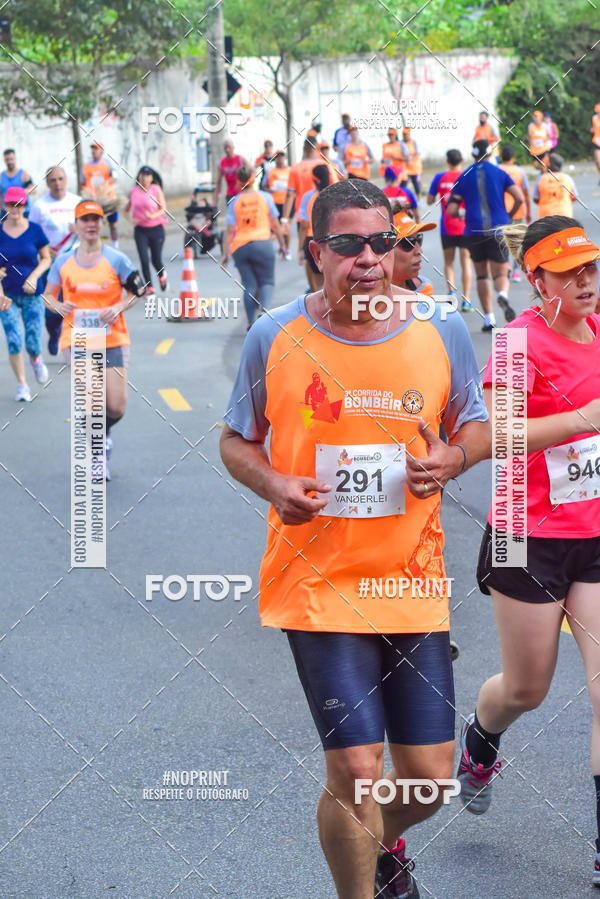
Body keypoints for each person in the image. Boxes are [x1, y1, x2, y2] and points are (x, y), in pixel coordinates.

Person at [220, 178, 491, 899]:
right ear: (316, 252)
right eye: (349, 244)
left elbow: (480, 424)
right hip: (317, 582)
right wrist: (275, 484)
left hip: (411, 580)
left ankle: (376, 839)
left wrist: (454, 457)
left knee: (432, 777)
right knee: (357, 767)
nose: (370, 257)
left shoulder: (443, 327)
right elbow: (234, 440)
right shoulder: (273, 335)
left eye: (385, 241)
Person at [456, 214, 600, 888]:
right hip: (525, 534)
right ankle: (481, 739)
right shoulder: (516, 343)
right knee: (527, 686)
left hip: (594, 533)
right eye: (569, 270)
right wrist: (581, 418)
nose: (586, 280)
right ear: (535, 277)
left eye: (592, 267)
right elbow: (500, 436)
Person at [43, 200, 145, 480]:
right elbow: (48, 294)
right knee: (93, 400)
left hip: (113, 338)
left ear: (101, 224)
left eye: (95, 219)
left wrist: (118, 307)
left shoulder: (116, 259)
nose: (91, 224)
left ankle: (105, 431)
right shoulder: (63, 261)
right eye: (85, 219)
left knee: (116, 405)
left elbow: (139, 290)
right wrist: (57, 306)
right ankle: (98, 454)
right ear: (75, 225)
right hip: (76, 339)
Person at [446, 139, 524, 331]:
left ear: (472, 154)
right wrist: (509, 216)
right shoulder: (500, 172)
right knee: (500, 272)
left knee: (482, 275)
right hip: (498, 229)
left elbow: (451, 209)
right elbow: (519, 198)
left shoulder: (464, 175)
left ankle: (489, 319)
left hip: (473, 231)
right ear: (491, 153)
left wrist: (461, 214)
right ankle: (503, 295)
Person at [0, 186, 51, 401]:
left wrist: (34, 277)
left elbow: (46, 258)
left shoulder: (35, 230)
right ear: (5, 205)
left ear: (25, 205)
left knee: (32, 342)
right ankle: (22, 385)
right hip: (6, 295)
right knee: (14, 340)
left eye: (20, 204)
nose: (15, 208)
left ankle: (36, 359)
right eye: (11, 204)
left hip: (32, 294)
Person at [221, 164, 286, 329]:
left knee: (249, 284)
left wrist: (224, 254)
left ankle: (250, 321)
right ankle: (264, 314)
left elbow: (229, 231)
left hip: (240, 247)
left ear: (238, 182)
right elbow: (276, 225)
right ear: (253, 179)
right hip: (262, 243)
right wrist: (283, 245)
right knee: (267, 281)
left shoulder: (234, 201)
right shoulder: (265, 197)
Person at [29, 166, 81, 355]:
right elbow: (32, 234)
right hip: (51, 263)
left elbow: (94, 229)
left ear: (66, 180)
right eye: (53, 180)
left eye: (60, 179)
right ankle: (54, 331)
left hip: (76, 262)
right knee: (52, 309)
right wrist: (42, 249)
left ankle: (79, 348)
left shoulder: (77, 202)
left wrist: (80, 230)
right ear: (47, 183)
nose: (57, 183)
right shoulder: (40, 206)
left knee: (77, 304)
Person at [427, 149, 472, 310]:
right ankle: (466, 300)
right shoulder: (467, 176)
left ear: (448, 161)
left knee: (449, 262)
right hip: (465, 226)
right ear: (462, 160)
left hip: (447, 226)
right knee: (466, 262)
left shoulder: (440, 177)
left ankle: (451, 292)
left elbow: (430, 199)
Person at [124, 166, 168, 296]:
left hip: (156, 228)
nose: (144, 178)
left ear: (152, 178)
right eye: (142, 175)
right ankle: (150, 287)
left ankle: (162, 275)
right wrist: (131, 220)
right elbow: (125, 210)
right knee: (144, 259)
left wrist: (153, 216)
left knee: (156, 260)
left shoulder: (155, 189)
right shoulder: (133, 191)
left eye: (147, 175)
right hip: (140, 230)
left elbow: (163, 208)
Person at [498, 146, 530, 282]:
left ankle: (506, 264)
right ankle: (517, 271)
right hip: (517, 210)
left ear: (501, 157)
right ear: (513, 158)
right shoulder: (520, 171)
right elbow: (525, 193)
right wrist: (528, 210)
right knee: (517, 242)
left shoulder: (497, 170)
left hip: (502, 209)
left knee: (502, 240)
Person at [297, 164, 330, 292]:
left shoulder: (308, 197)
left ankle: (320, 309)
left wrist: (300, 248)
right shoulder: (335, 195)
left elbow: (304, 225)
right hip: (332, 239)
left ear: (315, 180)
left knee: (318, 286)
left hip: (313, 239)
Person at [80, 141, 119, 247]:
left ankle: (115, 245)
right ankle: (95, 245)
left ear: (101, 151)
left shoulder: (107, 164)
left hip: (107, 199)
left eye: (96, 148)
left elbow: (114, 177)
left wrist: (104, 185)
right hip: (92, 200)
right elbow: (82, 183)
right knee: (94, 224)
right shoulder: (86, 166)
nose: (93, 151)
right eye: (92, 148)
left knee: (113, 224)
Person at [391, 207, 437, 296]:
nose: (419, 251)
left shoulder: (424, 289)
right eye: (408, 242)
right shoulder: (364, 297)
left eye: (419, 239)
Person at [280, 139, 320, 234]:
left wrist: (285, 219)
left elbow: (290, 195)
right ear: (317, 149)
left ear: (304, 149)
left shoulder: (296, 168)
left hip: (303, 216)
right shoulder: (325, 165)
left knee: (306, 246)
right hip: (322, 214)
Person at [533, 153, 578, 220]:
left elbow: (536, 198)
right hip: (565, 215)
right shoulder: (567, 178)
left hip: (546, 216)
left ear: (548, 165)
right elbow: (574, 196)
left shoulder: (541, 179)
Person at [266, 151, 292, 256]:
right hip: (275, 203)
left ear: (285, 157)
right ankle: (282, 245)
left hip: (288, 203)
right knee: (277, 227)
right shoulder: (270, 171)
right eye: (277, 156)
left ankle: (286, 248)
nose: (280, 158)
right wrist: (269, 190)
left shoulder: (290, 171)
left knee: (285, 227)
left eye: (282, 156)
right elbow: (263, 186)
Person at [215, 140, 250, 207]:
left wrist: (246, 186)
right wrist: (215, 202)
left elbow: (252, 171)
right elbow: (218, 183)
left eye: (229, 147)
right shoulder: (222, 163)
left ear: (233, 147)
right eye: (225, 148)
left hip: (241, 193)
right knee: (232, 215)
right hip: (230, 194)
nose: (227, 150)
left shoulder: (240, 159)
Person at [1, 148, 34, 217]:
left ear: (15, 159)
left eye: (11, 159)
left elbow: (33, 188)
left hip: (22, 211)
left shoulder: (23, 174)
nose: (10, 161)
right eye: (7, 159)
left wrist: (22, 192)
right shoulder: (1, 176)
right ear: (4, 160)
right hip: (7, 212)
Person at [400, 128, 423, 197]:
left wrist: (411, 160)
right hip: (405, 169)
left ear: (409, 134)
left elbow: (417, 153)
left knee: (417, 185)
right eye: (404, 134)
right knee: (404, 186)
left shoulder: (413, 142)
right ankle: (404, 200)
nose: (405, 136)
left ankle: (419, 200)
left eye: (406, 134)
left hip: (415, 168)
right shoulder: (400, 143)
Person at [591, 103, 600, 183]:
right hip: (597, 141)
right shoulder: (594, 118)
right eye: (598, 112)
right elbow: (593, 128)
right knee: (598, 162)